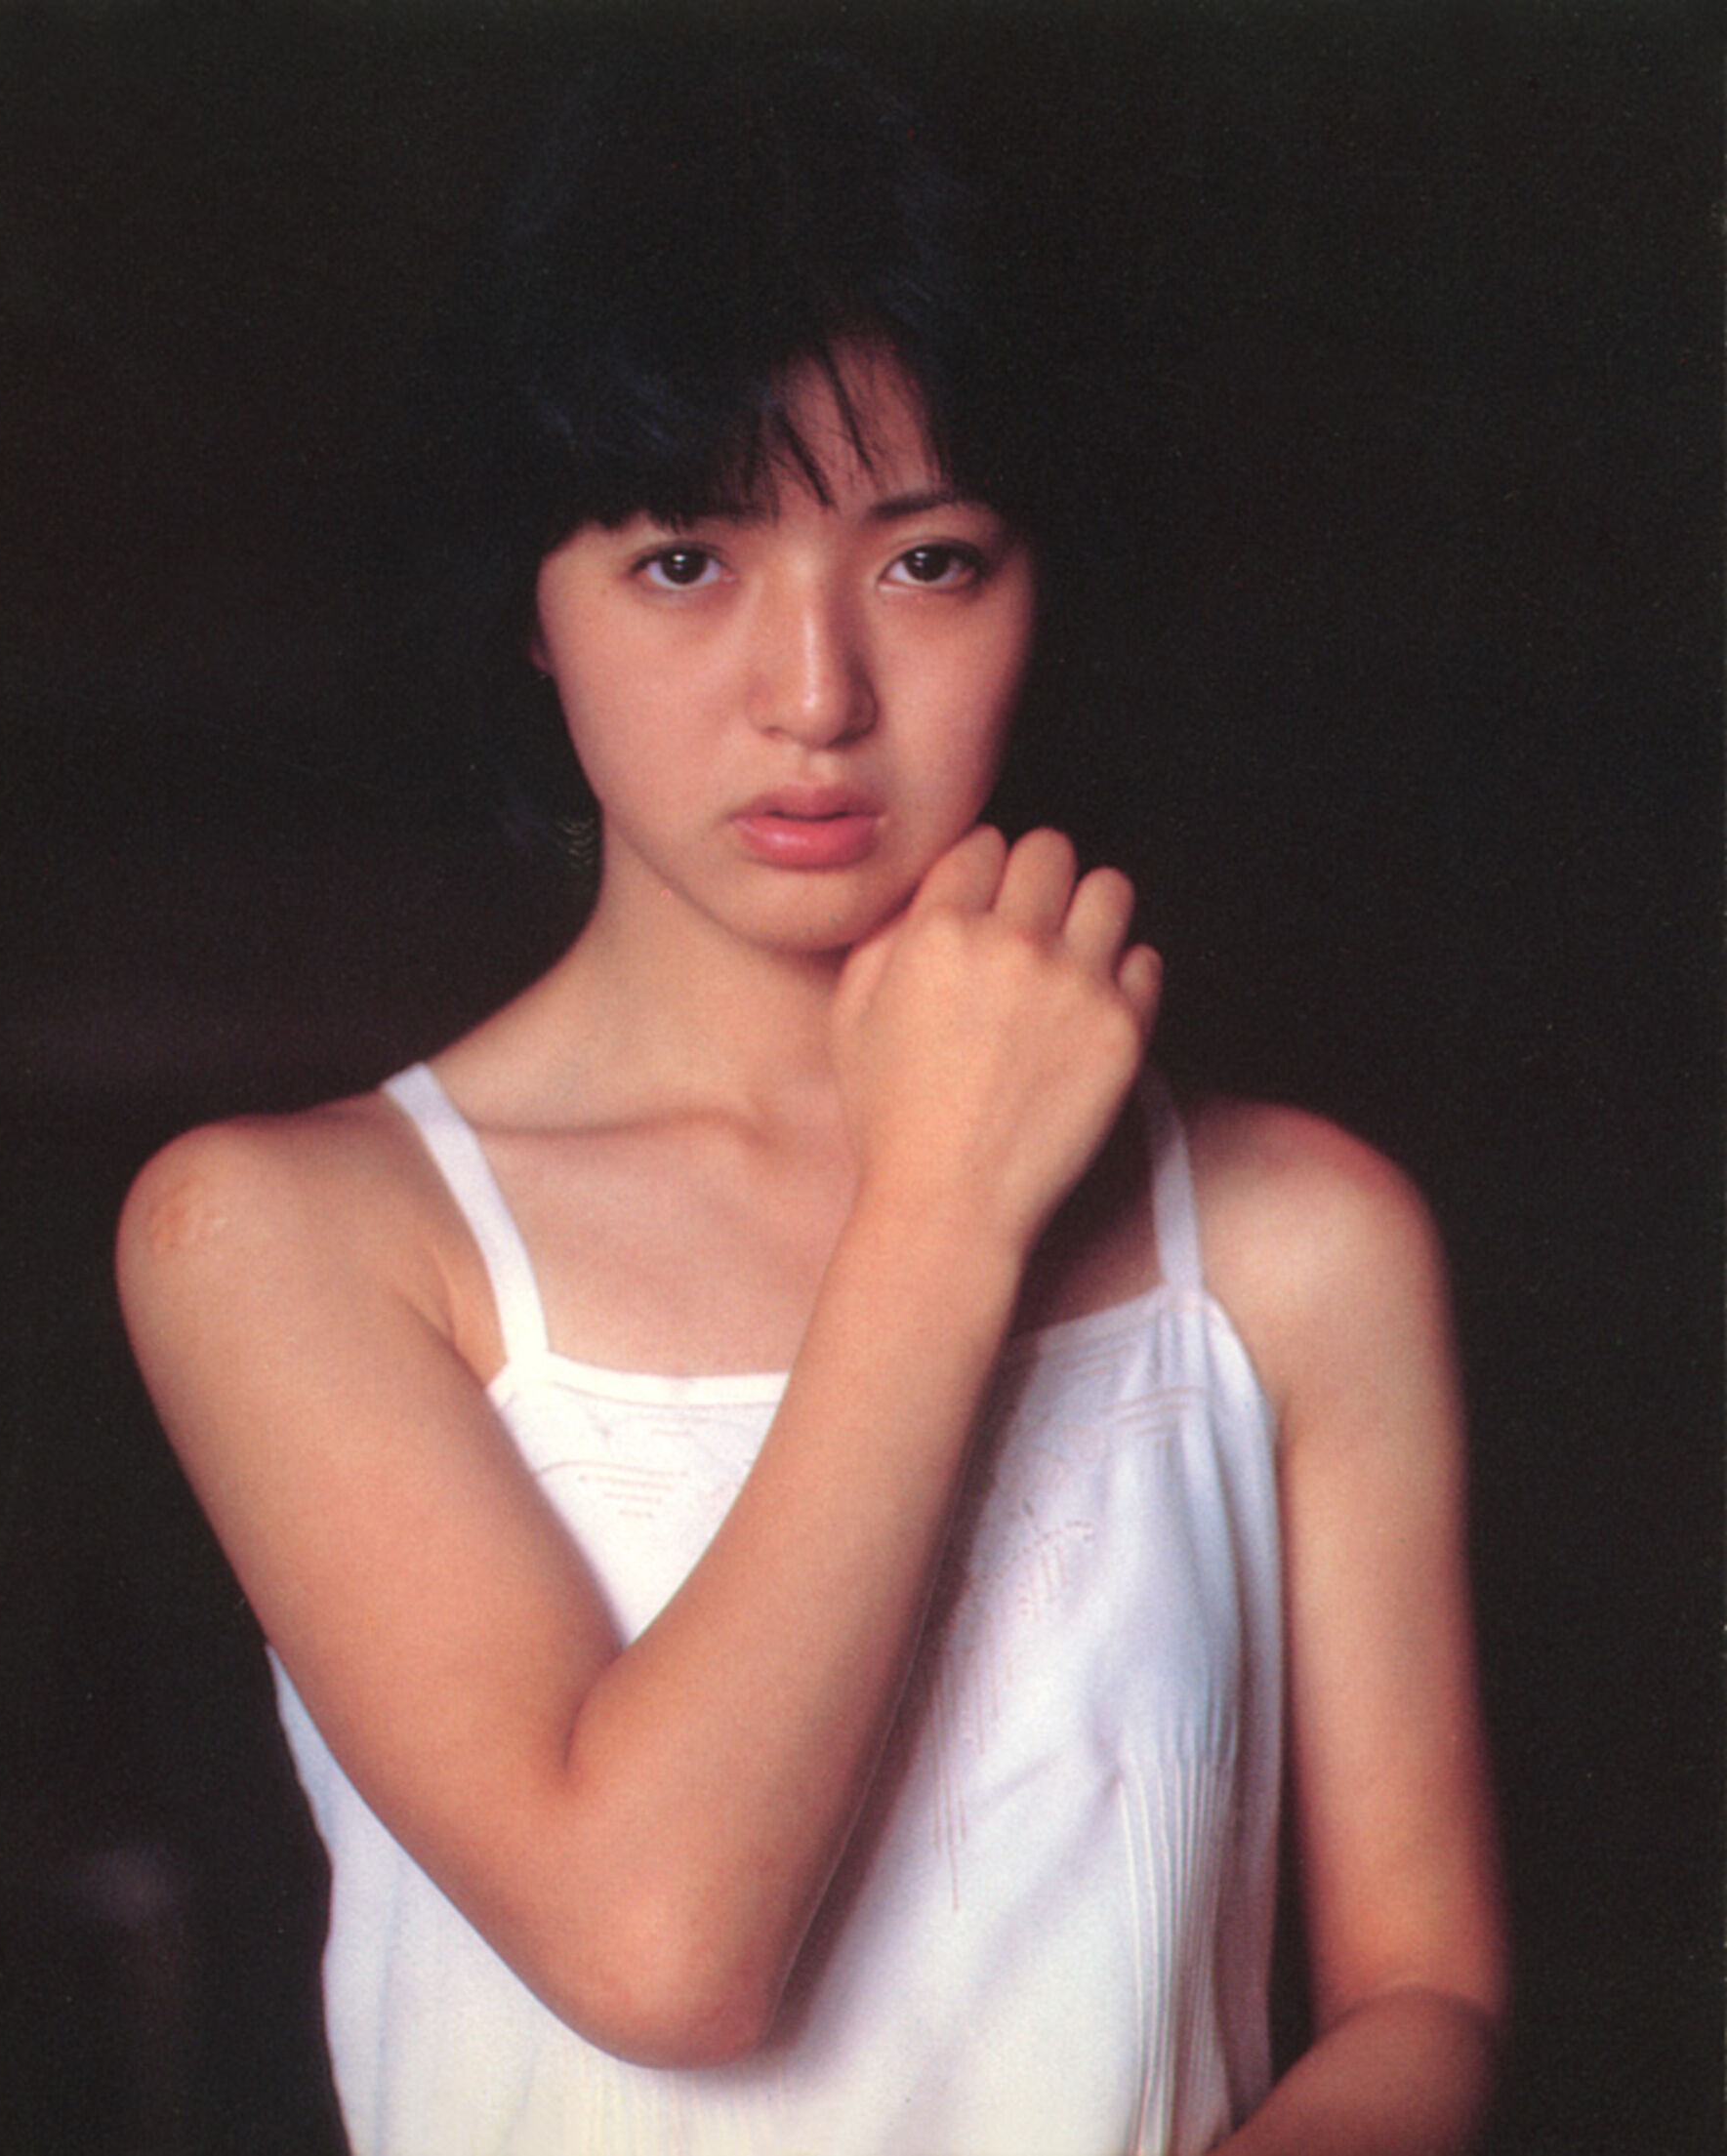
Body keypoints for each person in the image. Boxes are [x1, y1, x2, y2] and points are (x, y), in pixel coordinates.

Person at [116, 45, 1506, 2156]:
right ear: (532, 607)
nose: (816, 697)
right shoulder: (291, 1236)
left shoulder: (1300, 1240)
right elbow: (664, 1945)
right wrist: (944, 1207)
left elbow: (1425, 1995)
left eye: (925, 561)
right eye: (686, 561)